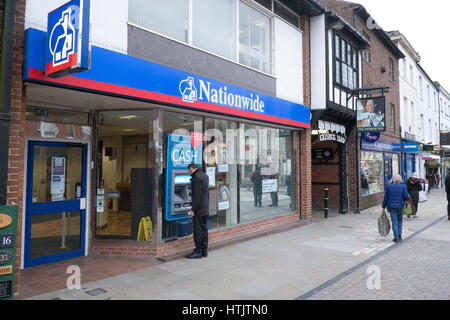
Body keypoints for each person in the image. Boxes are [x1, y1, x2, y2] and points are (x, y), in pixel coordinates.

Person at [186, 163, 210, 259]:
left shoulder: (196, 178)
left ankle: (198, 251)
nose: (189, 173)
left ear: (192, 168)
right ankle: (204, 250)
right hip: (205, 207)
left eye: (189, 171)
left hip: (199, 209)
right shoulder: (205, 176)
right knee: (204, 228)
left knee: (197, 230)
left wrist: (192, 209)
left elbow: (196, 196)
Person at [382, 174, 410, 243]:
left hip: (392, 206)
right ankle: (400, 235)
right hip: (400, 206)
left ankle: (396, 237)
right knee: (400, 220)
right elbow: (406, 196)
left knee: (394, 221)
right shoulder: (403, 186)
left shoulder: (389, 187)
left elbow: (386, 197)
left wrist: (383, 206)